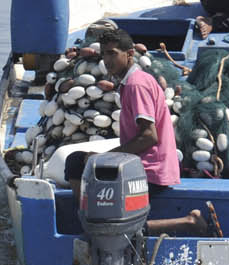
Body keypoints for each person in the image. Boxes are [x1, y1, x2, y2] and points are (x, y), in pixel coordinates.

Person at [65, 30, 211, 237]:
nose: (107, 60)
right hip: (142, 165)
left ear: (130, 54)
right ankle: (90, 218)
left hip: (149, 171)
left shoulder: (136, 85)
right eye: (104, 54)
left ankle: (188, 223)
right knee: (77, 161)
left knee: (77, 165)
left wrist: (106, 158)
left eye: (113, 54)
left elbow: (149, 136)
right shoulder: (132, 82)